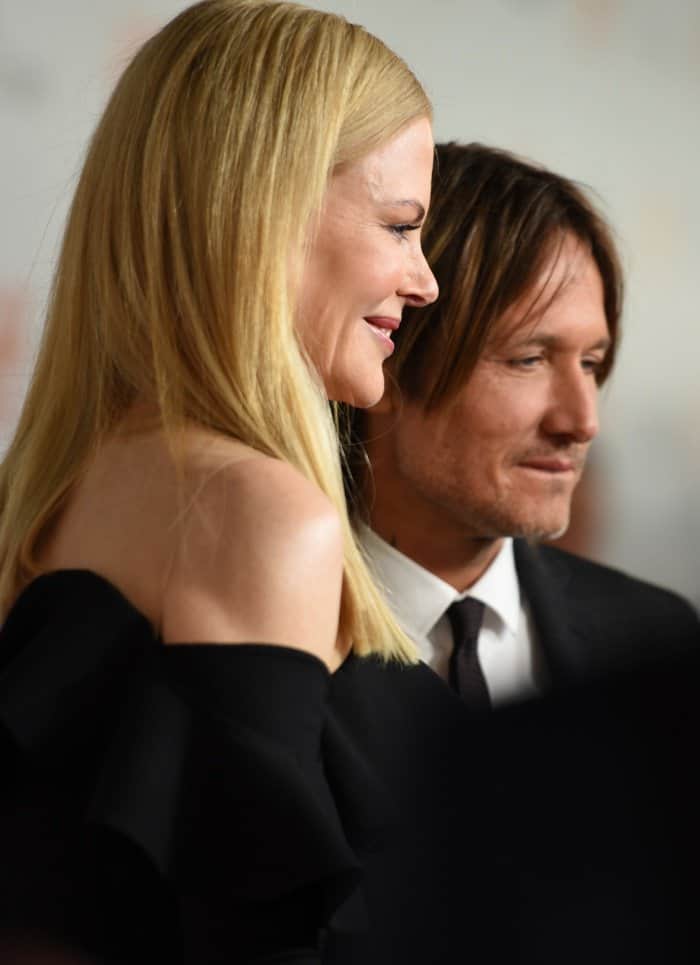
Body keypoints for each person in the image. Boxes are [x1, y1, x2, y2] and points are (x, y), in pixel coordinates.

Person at [0, 3, 492, 963]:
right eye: (400, 225)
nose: (425, 280)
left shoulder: (56, 491)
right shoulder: (255, 515)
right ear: (261, 214)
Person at [353, 141, 699, 709]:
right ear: (386, 364)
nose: (582, 422)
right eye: (528, 360)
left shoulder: (656, 641)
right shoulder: (262, 645)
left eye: (590, 364)